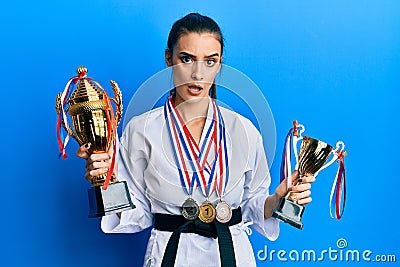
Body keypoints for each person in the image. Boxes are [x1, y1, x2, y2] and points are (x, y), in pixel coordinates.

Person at [77, 13, 315, 267]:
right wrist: (105, 180)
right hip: (170, 255)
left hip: (231, 256)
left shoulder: (244, 130)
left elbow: (253, 208)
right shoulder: (140, 130)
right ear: (169, 59)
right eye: (187, 59)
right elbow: (137, 214)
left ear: (220, 64)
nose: (198, 73)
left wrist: (278, 200)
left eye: (210, 61)